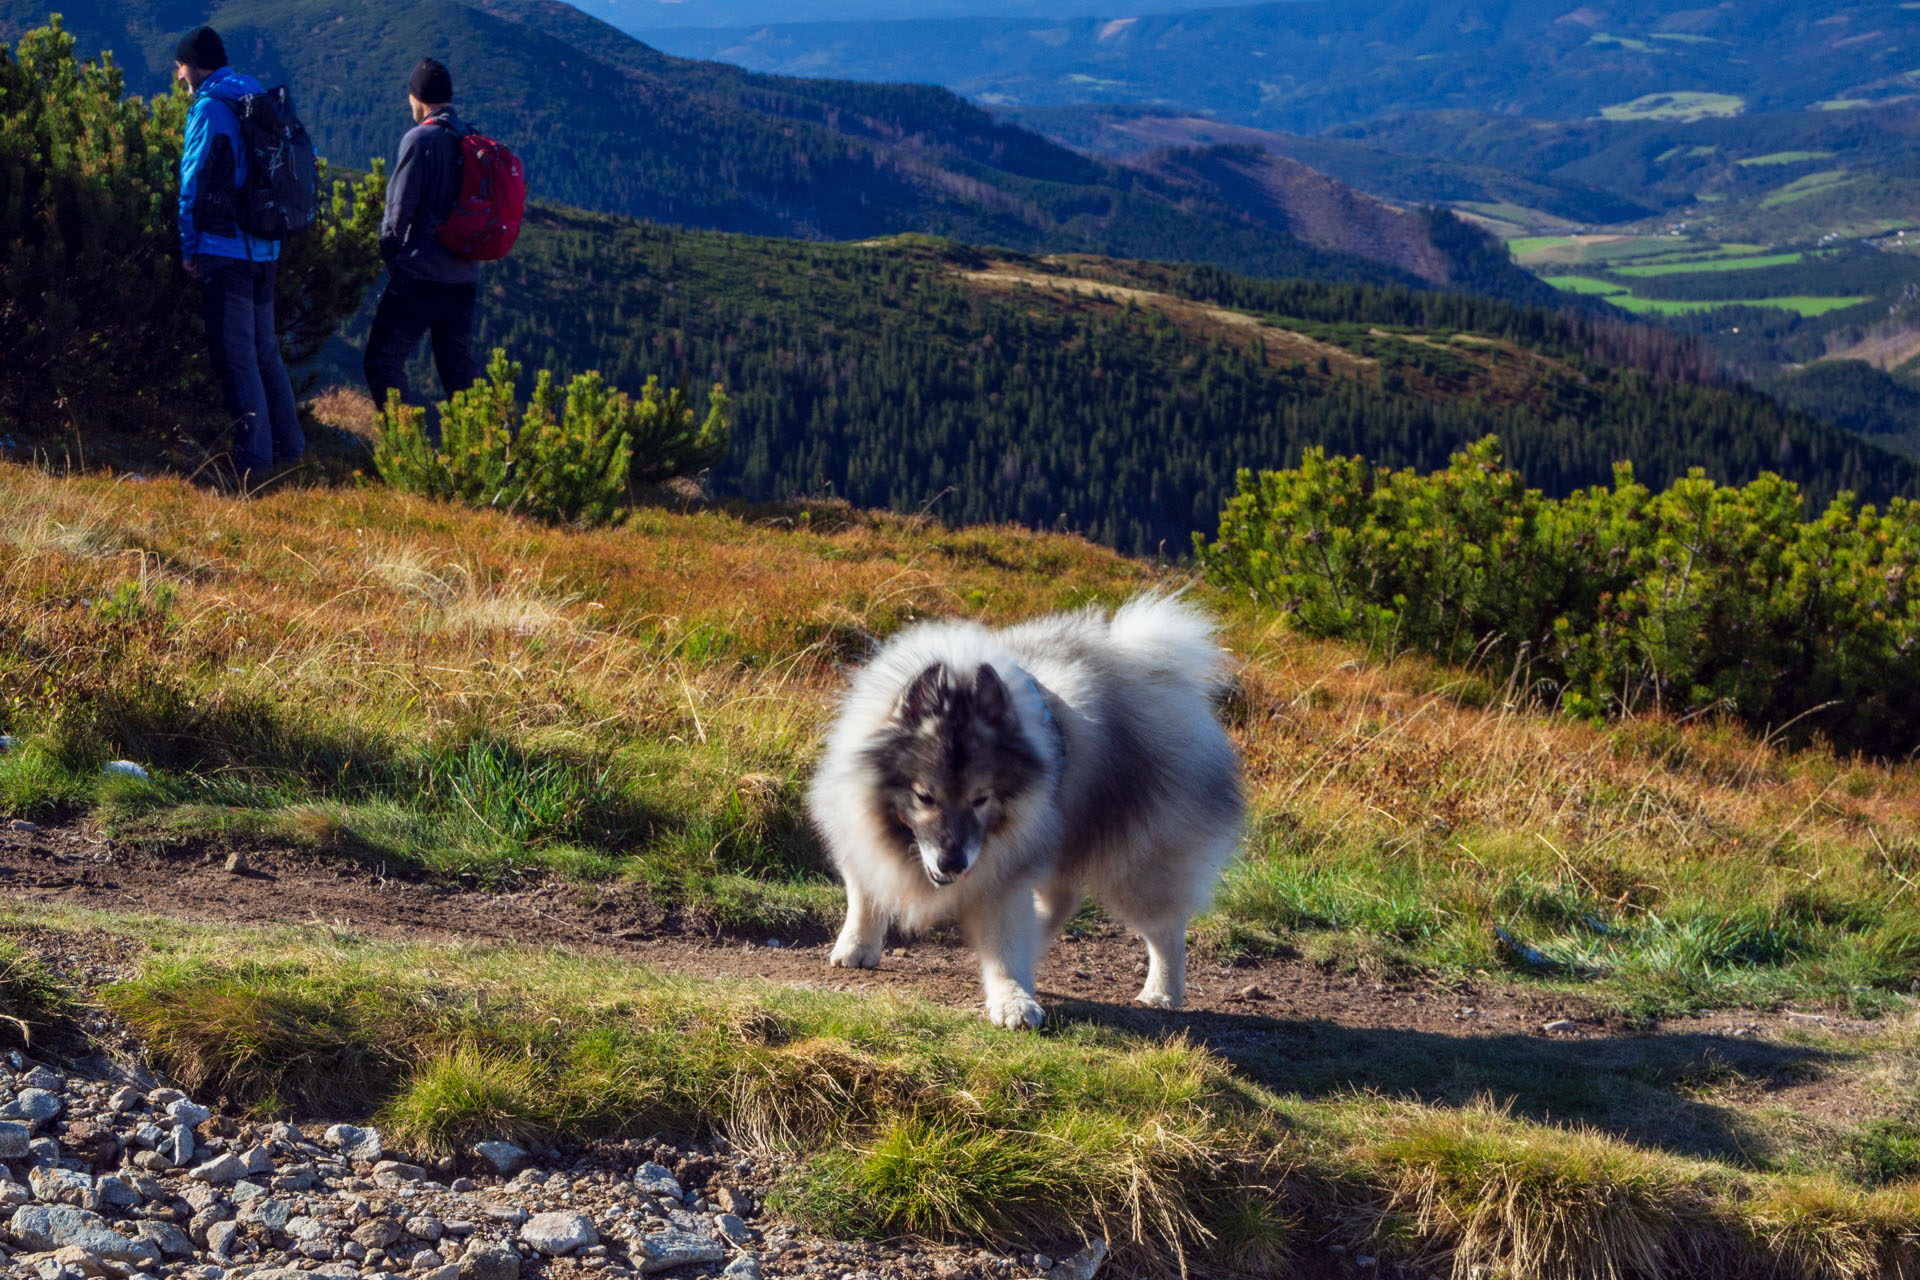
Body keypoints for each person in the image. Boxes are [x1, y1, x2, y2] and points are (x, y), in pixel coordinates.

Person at [174, 25, 304, 480]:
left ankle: (252, 461)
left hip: (225, 248)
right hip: (265, 246)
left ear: (191, 65)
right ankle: (289, 447)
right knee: (266, 350)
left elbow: (193, 182)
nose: (177, 76)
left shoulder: (209, 107)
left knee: (237, 356)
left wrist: (189, 247)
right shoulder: (251, 92)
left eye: (179, 66)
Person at [363, 58, 482, 415]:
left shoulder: (421, 139)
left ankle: (405, 449)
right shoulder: (468, 137)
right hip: (464, 275)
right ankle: (490, 453)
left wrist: (391, 255)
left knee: (382, 360)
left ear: (418, 97)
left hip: (423, 273)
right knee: (458, 374)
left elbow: (398, 209)